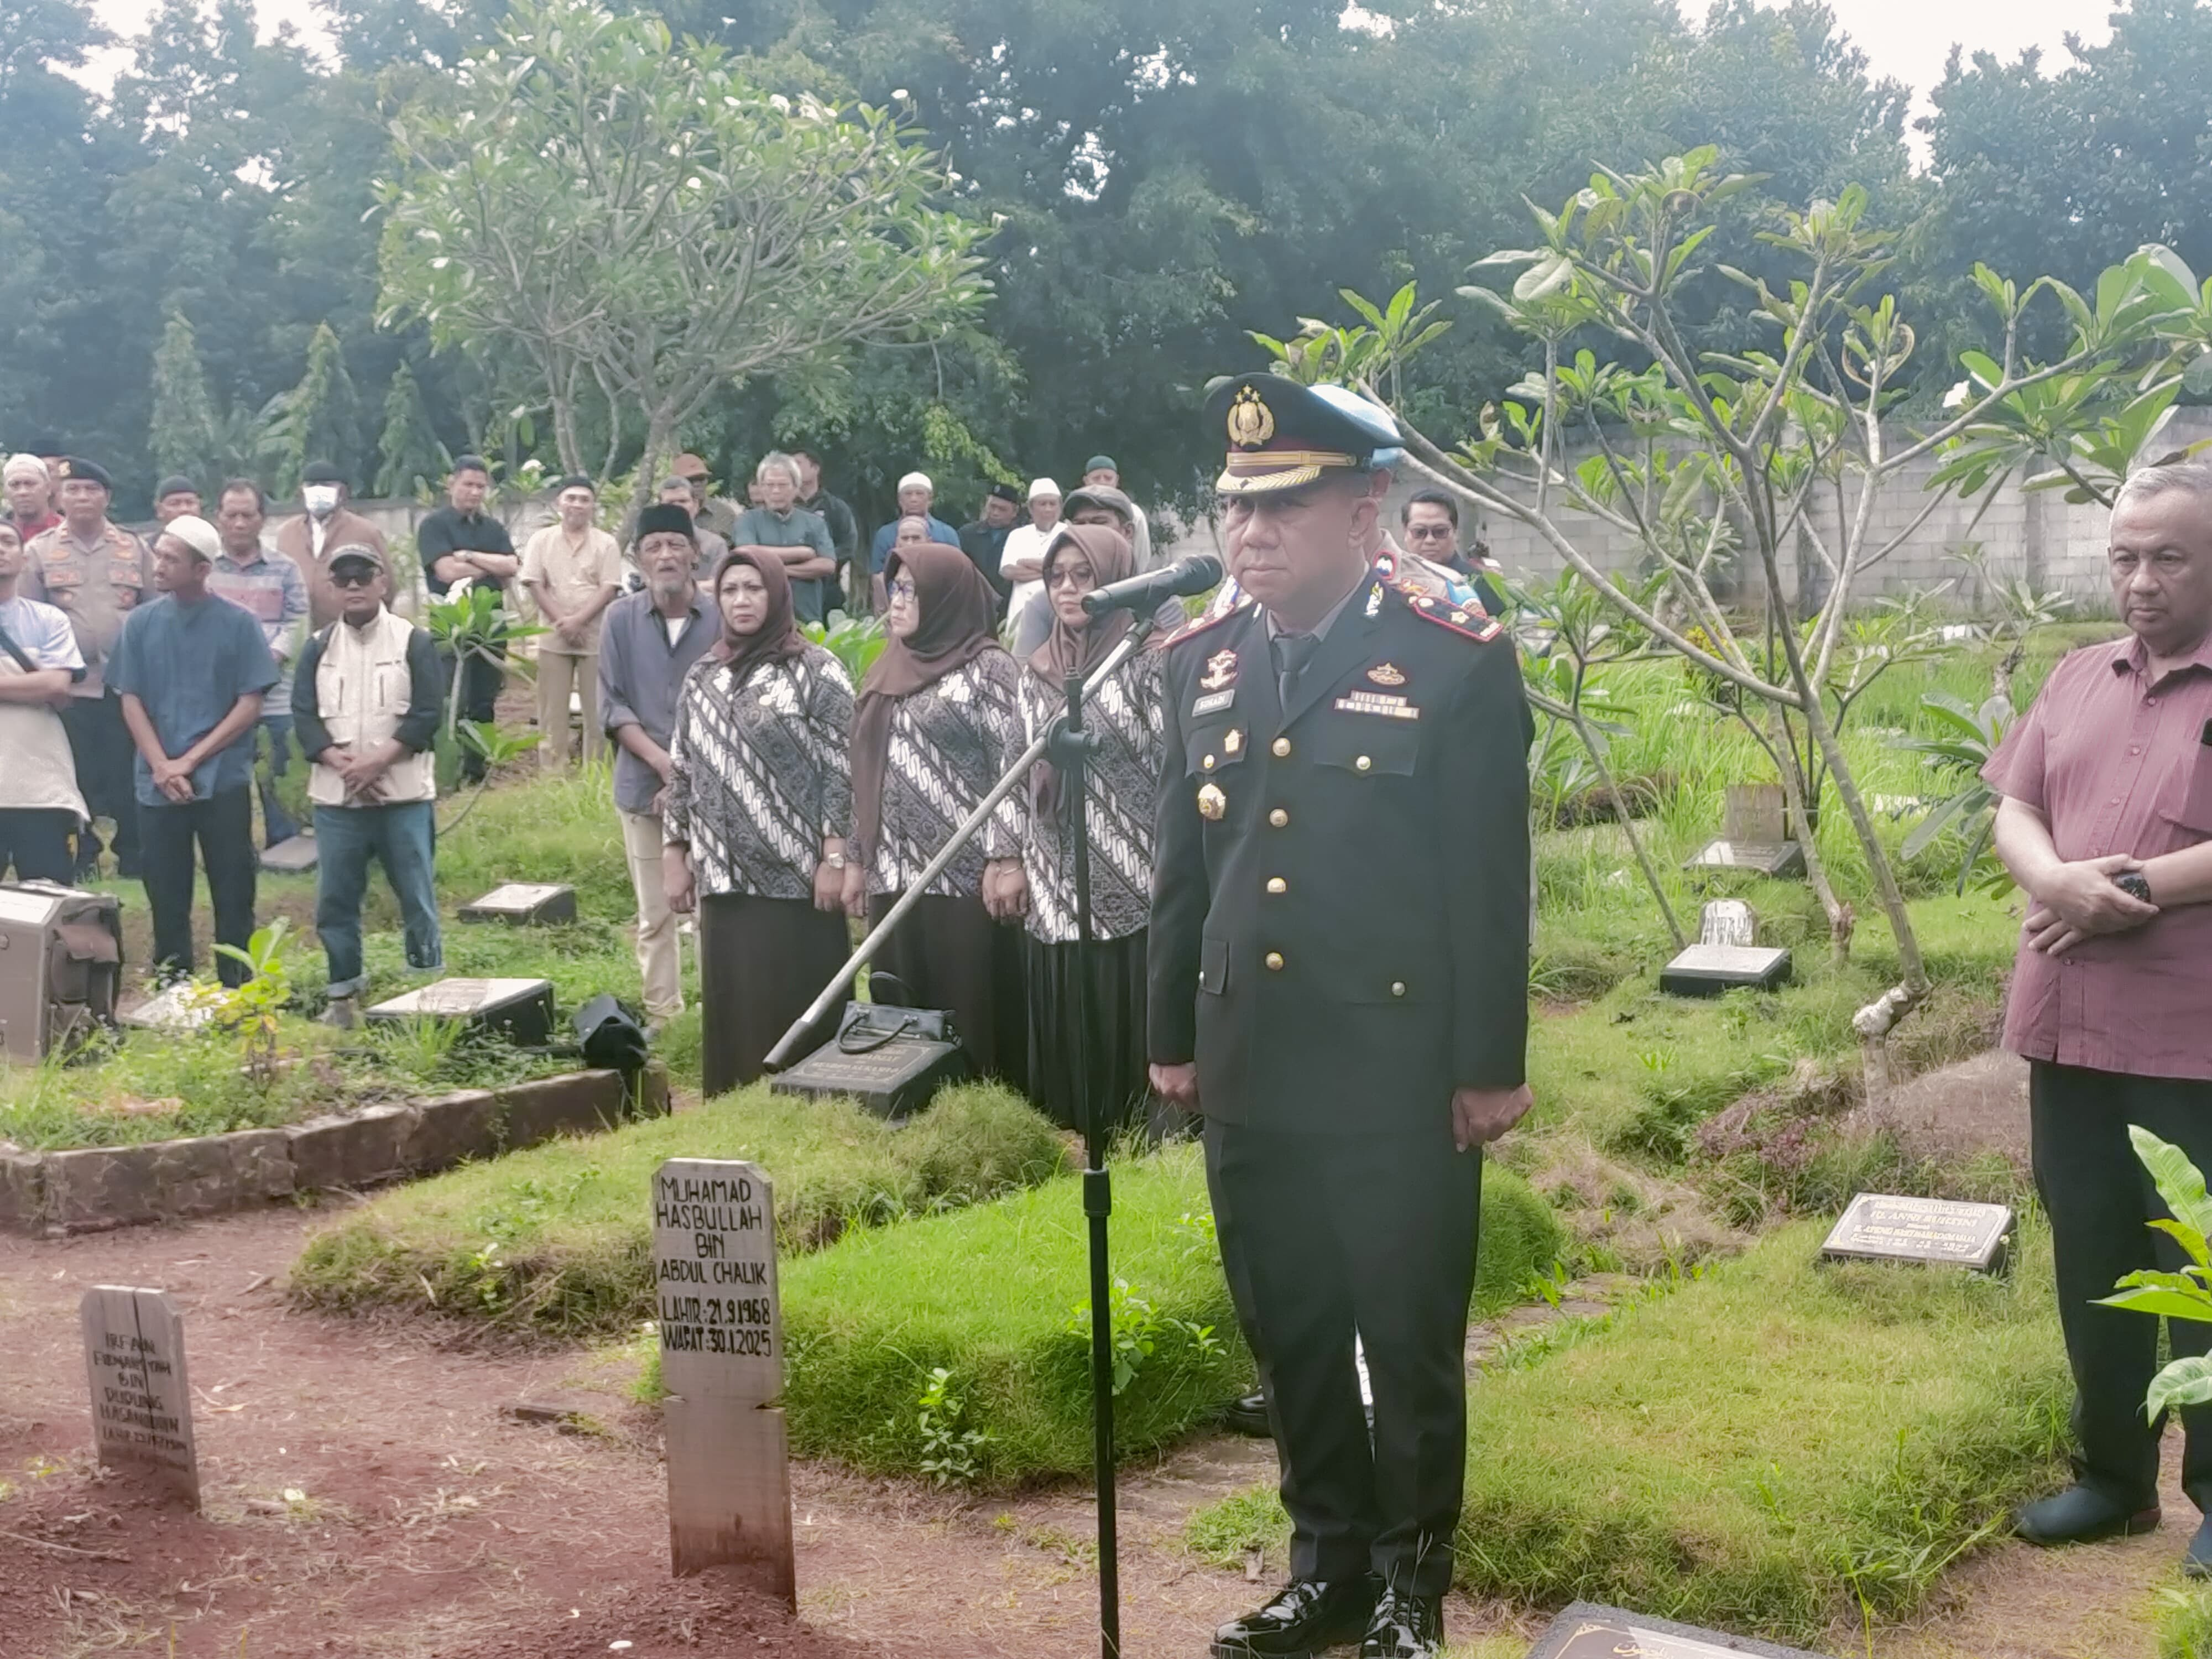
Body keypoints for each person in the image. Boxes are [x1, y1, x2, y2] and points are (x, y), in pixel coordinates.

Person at [1149, 376, 1533, 1659]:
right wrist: (1171, 1036)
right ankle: (1324, 1569)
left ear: (1364, 512)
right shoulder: (1198, 661)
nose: (1248, 532)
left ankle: (1410, 1587)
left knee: (1404, 1335)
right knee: (1292, 1327)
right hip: (1248, 1060)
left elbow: (1486, 884)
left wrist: (1487, 1065)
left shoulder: (1450, 657)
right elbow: (1182, 875)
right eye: (1234, 507)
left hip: (1392, 1068)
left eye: (1282, 507)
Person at [1983, 457, 2212, 1571]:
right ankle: (2115, 1480)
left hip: (2189, 1038)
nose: (2141, 581)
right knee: (2092, 1250)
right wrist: (2051, 880)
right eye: (2124, 558)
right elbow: (2015, 806)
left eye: (2168, 558)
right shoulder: (2079, 674)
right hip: (2067, 1024)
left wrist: (2129, 889)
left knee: (2202, 1260)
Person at [663, 547, 858, 1093]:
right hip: (724, 878)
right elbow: (682, 768)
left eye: (754, 588)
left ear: (776, 594)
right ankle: (735, 1110)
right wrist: (674, 852)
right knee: (736, 1007)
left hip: (796, 879)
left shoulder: (816, 671)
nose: (742, 600)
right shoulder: (704, 674)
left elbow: (843, 770)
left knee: (797, 1002)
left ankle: (815, 1109)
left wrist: (834, 857)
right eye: (730, 590)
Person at [850, 541, 1030, 1086]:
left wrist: (1006, 855)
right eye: (894, 589)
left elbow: (1013, 769)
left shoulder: (989, 669)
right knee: (900, 1000)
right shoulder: (885, 667)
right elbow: (862, 771)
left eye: (912, 590)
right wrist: (858, 856)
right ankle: (907, 1102)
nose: (898, 601)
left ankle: (979, 1105)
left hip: (963, 876)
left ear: (946, 597)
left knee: (966, 1003)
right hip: (893, 871)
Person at [1013, 521, 1165, 1134]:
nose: (1068, 589)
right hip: (1054, 873)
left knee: (1122, 1001)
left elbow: (1174, 768)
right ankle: (1073, 1133)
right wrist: (1005, 858)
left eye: (1084, 576)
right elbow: (1013, 768)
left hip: (1133, 873)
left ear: (1116, 581)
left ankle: (1135, 1136)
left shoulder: (1147, 660)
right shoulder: (1036, 670)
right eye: (1056, 577)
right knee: (1070, 1004)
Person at [109, 515, 278, 988]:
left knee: (233, 888)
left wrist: (188, 761)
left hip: (222, 780)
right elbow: (130, 699)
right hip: (157, 781)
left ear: (202, 570)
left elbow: (249, 704)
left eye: (171, 559)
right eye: (158, 555)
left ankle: (238, 989)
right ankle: (174, 986)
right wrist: (162, 765)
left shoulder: (239, 624)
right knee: (165, 890)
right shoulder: (141, 624)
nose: (159, 566)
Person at [291, 545, 444, 1028]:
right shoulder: (317, 648)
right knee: (335, 900)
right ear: (332, 589)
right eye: (344, 578)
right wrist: (342, 765)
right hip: (337, 800)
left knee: (416, 896)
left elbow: (427, 714)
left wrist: (377, 763)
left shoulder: (413, 641)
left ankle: (427, 994)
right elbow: (304, 717)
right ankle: (342, 998)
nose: (354, 585)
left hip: (403, 797)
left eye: (364, 575)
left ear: (383, 582)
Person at [600, 504, 718, 1024]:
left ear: (695, 553)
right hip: (641, 785)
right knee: (655, 914)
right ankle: (664, 1015)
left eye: (676, 545)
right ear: (639, 558)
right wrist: (665, 764)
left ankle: (719, 1012)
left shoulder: (721, 617)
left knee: (715, 910)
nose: (666, 556)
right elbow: (613, 707)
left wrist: (690, 772)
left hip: (716, 789)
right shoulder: (620, 620)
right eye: (654, 547)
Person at [24, 458, 152, 879]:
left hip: (124, 687)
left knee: (126, 774)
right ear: (59, 497)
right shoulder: (40, 551)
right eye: (74, 490)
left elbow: (154, 612)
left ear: (107, 497)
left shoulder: (134, 548)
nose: (82, 497)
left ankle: (134, 854)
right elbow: (27, 622)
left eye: (91, 490)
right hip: (69, 691)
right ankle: (84, 853)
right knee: (75, 776)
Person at [206, 480, 310, 848]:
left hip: (275, 693)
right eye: (231, 515)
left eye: (247, 515)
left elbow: (298, 621)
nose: (239, 523)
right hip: (220, 695)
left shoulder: (285, 569)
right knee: (227, 776)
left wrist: (267, 663)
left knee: (278, 771)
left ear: (262, 519)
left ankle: (284, 847)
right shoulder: (205, 569)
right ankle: (234, 849)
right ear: (218, 517)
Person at [417, 456, 519, 782]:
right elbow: (446, 572)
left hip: (491, 626)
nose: (475, 492)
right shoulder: (434, 526)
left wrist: (470, 557)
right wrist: (491, 566)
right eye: (468, 485)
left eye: (481, 487)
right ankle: (448, 768)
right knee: (451, 699)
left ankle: (477, 769)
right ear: (452, 484)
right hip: (451, 626)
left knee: (484, 700)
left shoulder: (493, 529)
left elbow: (513, 568)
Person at [0, 520, 88, 883]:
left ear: (25, 558)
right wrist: (27, 687)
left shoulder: (49, 620)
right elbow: (45, 683)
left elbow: (56, 684)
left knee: (49, 895)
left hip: (38, 786)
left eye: (7, 542)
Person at [519, 475, 624, 770]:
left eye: (584, 500)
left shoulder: (607, 543)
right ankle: (553, 774)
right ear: (559, 503)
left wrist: (579, 621)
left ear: (593, 506)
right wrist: (564, 622)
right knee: (552, 712)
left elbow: (609, 587)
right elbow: (535, 583)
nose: (577, 505)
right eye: (571, 498)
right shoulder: (541, 540)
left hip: (595, 638)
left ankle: (597, 772)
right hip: (554, 637)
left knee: (597, 711)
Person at [1009, 483, 1176, 658]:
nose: (1087, 532)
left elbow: (1169, 664)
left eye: (1099, 523)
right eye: (1079, 524)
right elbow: (1024, 667)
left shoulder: (1158, 600)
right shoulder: (1046, 603)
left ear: (1127, 532)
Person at [275, 460, 389, 629]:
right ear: (301, 492)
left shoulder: (366, 531)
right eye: (312, 485)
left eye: (326, 485)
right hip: (299, 635)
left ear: (342, 492)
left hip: (351, 632)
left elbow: (387, 587)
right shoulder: (287, 533)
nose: (318, 490)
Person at [728, 452, 838, 624]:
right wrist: (803, 553)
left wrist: (779, 570)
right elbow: (747, 553)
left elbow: (828, 564)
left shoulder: (814, 523)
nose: (776, 491)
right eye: (769, 485)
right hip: (763, 618)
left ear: (796, 487)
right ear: (761, 488)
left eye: (783, 485)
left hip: (805, 616)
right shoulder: (747, 521)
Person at [1399, 488, 1506, 615]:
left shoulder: (1479, 584)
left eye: (1440, 532)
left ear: (1455, 532)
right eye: (1420, 532)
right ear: (1405, 533)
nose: (1430, 540)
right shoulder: (1392, 582)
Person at [865, 472, 961, 608]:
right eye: (908, 494)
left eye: (920, 494)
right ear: (900, 500)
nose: (914, 499)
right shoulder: (885, 535)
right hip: (896, 606)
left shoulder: (947, 534)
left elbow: (957, 577)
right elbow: (878, 579)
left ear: (930, 499)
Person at [792, 448, 861, 612]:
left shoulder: (836, 507)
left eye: (798, 464)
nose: (792, 469)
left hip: (828, 587)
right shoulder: (785, 508)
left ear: (815, 469)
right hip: (792, 588)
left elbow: (849, 544)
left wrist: (823, 561)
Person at [997, 478, 1062, 623]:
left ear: (1060, 507)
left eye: (1052, 504)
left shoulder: (1069, 533)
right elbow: (1008, 571)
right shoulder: (1017, 535)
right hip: (1020, 613)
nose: (1048, 509)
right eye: (1043, 504)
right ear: (1031, 508)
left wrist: (1026, 564)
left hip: (1057, 613)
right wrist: (1051, 570)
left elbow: (1068, 570)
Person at [1081, 453, 1154, 565]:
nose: (1102, 482)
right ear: (1086, 481)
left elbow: (1141, 555)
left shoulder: (1134, 513)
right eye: (1096, 478)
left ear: (1117, 480)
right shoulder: (1077, 514)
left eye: (1108, 478)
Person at [959, 483, 1021, 613]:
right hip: (971, 603)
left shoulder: (1021, 538)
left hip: (1007, 606)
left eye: (1002, 509)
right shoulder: (967, 534)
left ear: (1014, 512)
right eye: (992, 507)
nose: (995, 513)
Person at [653, 474, 729, 580]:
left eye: (683, 501)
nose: (678, 507)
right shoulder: (651, 546)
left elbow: (719, 584)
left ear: (696, 505)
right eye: (670, 503)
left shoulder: (715, 545)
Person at [673, 452, 740, 544]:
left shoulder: (725, 514)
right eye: (690, 480)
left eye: (701, 479)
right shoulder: (665, 514)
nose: (697, 484)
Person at [4, 455, 61, 545]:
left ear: (48, 488)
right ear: (5, 491)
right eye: (14, 485)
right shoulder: (3, 534)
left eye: (30, 484)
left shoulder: (70, 531)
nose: (22, 492)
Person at [140, 476, 202, 544]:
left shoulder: (210, 544)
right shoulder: (147, 547)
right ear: (159, 510)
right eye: (174, 504)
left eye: (190, 503)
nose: (184, 509)